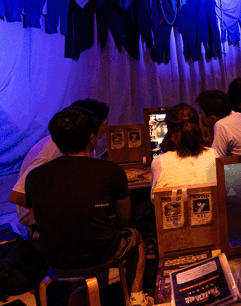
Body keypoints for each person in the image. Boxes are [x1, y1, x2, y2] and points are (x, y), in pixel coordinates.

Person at [24, 108, 151, 306]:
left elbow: (39, 217)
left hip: (55, 261)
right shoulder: (110, 171)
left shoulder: (34, 177)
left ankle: (79, 294)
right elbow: (124, 216)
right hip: (100, 256)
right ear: (92, 138)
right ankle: (136, 298)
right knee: (136, 236)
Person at [9, 98, 109, 238]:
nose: (107, 129)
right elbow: (17, 196)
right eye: (104, 125)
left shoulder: (82, 146)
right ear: (90, 127)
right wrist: (52, 214)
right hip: (45, 225)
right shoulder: (53, 151)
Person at [150, 104, 217, 202]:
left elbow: (155, 200)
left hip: (173, 212)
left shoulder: (158, 161)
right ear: (198, 127)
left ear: (169, 130)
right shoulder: (214, 155)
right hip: (210, 212)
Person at [196, 89, 241, 157]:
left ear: (213, 118)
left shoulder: (221, 125)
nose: (200, 117)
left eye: (200, 113)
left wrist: (208, 132)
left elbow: (216, 161)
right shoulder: (239, 115)